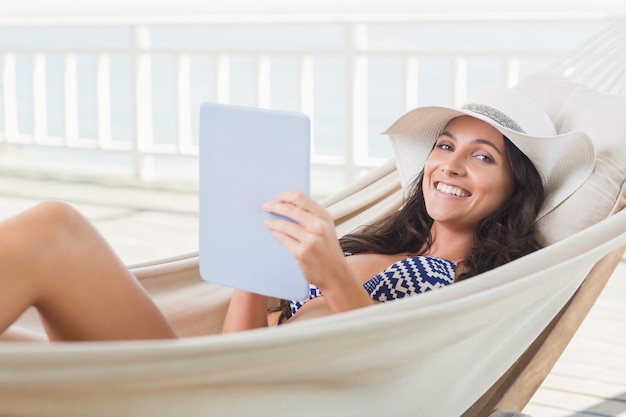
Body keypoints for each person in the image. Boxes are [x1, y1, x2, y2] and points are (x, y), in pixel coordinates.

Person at [0, 86, 593, 341]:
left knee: (54, 231)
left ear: (516, 189)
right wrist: (251, 268)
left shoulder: (467, 288)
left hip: (231, 403)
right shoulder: (380, 251)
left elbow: (390, 371)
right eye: (444, 146)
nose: (451, 165)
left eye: (481, 156)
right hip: (219, 383)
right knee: (44, 252)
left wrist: (333, 273)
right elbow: (249, 352)